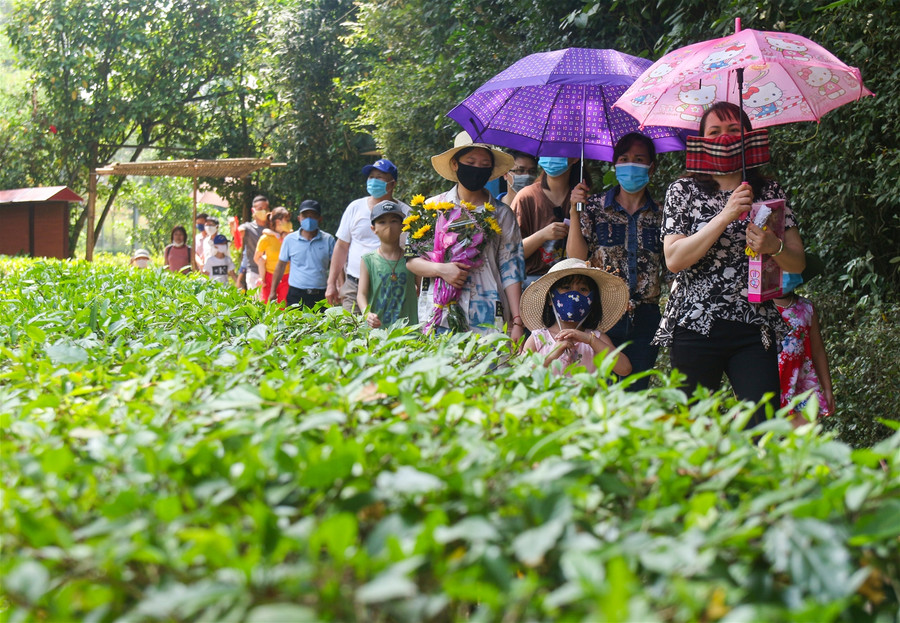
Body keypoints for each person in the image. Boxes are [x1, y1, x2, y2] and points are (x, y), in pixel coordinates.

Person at [654, 101, 806, 427]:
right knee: (691, 427)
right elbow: (675, 259)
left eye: (734, 130)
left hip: (754, 325)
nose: (725, 138)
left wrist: (773, 245)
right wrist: (725, 215)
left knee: (761, 425)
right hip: (695, 322)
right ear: (701, 139)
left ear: (748, 137)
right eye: (715, 132)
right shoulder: (683, 191)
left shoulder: (768, 190)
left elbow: (796, 263)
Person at [567, 133, 664, 390]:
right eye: (624, 158)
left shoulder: (663, 212)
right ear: (615, 164)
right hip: (603, 314)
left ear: (651, 167)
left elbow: (673, 265)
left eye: (639, 159)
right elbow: (575, 258)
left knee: (636, 391)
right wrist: (574, 213)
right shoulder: (594, 207)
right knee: (600, 390)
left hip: (646, 316)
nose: (631, 164)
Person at [406, 131, 525, 339]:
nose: (477, 169)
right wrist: (442, 270)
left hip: (488, 314)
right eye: (471, 161)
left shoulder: (501, 214)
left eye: (484, 164)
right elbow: (411, 260)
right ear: (455, 164)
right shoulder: (431, 208)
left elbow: (511, 267)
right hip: (439, 314)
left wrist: (517, 320)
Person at [520, 258, 632, 376]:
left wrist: (590, 340)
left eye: (583, 289)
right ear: (550, 299)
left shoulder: (597, 338)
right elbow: (520, 374)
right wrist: (552, 355)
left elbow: (624, 369)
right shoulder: (538, 338)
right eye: (566, 287)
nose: (574, 296)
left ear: (592, 301)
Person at [327, 158, 410, 312]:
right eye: (371, 177)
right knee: (349, 330)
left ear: (392, 183)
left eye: (379, 177)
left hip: (390, 285)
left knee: (385, 333)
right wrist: (331, 283)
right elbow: (341, 246)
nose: (373, 181)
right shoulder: (355, 207)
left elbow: (411, 252)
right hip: (354, 285)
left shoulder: (406, 213)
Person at [774, 259, 834, 426]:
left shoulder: (806, 307)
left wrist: (827, 388)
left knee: (801, 447)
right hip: (768, 386)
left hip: (803, 387)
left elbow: (817, 350)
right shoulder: (756, 308)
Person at [513, 156, 588, 287]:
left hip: (571, 283)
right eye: (546, 151)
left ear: (575, 158)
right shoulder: (526, 198)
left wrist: (575, 213)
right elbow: (510, 254)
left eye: (558, 151)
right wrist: (542, 235)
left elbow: (580, 258)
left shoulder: (584, 200)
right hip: (532, 283)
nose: (551, 156)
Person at [357, 200, 419, 328]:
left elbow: (423, 291)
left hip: (409, 332)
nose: (388, 226)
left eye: (394, 221)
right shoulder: (368, 260)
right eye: (382, 222)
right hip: (378, 333)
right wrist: (367, 314)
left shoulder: (413, 258)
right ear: (373, 228)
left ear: (403, 226)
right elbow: (361, 294)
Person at [268, 200, 335, 309]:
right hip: (296, 294)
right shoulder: (290, 240)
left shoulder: (328, 240)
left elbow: (337, 265)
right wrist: (273, 291)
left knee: (321, 325)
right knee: (295, 324)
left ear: (319, 219)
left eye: (313, 216)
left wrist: (339, 287)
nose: (309, 219)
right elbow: (280, 266)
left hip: (321, 295)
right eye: (305, 216)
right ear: (299, 218)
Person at [255, 207, 292, 304]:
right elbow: (256, 258)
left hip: (287, 277)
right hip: (269, 278)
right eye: (286, 220)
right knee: (268, 308)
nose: (288, 223)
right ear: (278, 222)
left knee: (284, 309)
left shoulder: (290, 237)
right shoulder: (266, 238)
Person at [237, 195, 269, 290]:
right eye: (260, 208)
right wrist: (235, 229)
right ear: (253, 210)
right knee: (256, 303)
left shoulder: (273, 228)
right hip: (254, 273)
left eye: (265, 208)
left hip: (271, 273)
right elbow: (238, 234)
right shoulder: (247, 228)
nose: (263, 211)